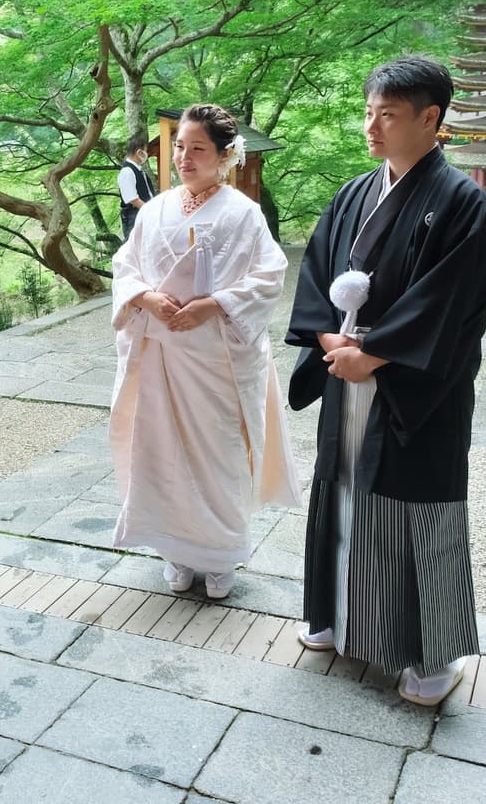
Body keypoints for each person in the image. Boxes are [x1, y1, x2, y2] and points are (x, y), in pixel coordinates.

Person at [285, 56, 486, 707]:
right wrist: (329, 341)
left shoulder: (459, 201)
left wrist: (372, 353)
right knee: (342, 492)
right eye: (368, 111)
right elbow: (318, 273)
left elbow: (452, 302)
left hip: (414, 392)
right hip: (348, 379)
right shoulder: (353, 193)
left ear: (431, 119)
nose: (371, 126)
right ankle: (334, 619)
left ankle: (430, 660)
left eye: (388, 115)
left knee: (417, 513)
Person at [110, 104, 300, 600]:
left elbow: (269, 275)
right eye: (179, 148)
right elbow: (125, 265)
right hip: (163, 356)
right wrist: (145, 296)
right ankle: (175, 550)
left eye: (197, 149)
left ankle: (219, 556)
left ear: (224, 156)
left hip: (217, 358)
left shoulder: (244, 213)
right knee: (162, 453)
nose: (184, 158)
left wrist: (215, 304)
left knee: (220, 454)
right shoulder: (153, 210)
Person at [118, 135, 156, 240]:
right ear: (139, 152)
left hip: (143, 214)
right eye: (145, 151)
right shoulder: (127, 171)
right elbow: (132, 199)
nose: (146, 154)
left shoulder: (138, 170)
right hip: (134, 217)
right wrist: (150, 210)